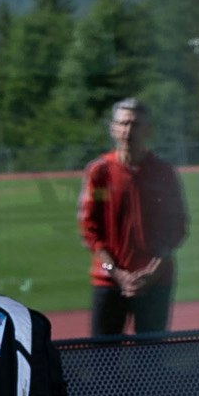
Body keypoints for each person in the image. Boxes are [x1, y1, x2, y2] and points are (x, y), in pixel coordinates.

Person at [76, 97, 188, 335]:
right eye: (123, 123)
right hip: (108, 280)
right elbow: (89, 227)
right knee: (104, 353)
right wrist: (115, 271)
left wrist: (153, 270)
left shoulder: (163, 172)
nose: (128, 131)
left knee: (151, 352)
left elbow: (177, 226)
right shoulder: (100, 172)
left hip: (156, 280)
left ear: (147, 130)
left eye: (135, 124)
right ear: (113, 128)